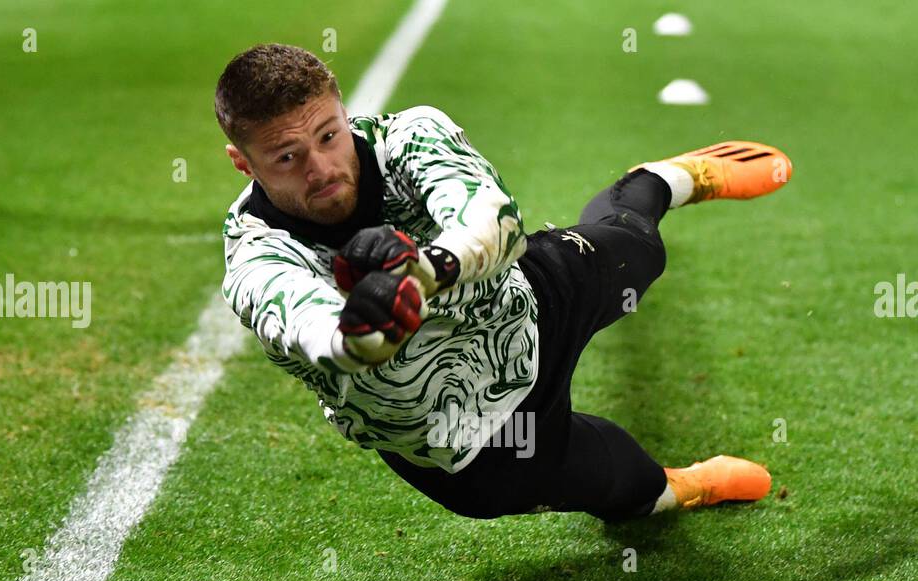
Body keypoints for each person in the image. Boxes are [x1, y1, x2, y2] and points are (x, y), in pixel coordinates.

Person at [216, 43, 792, 522]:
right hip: (470, 443)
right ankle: (685, 486)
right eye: (287, 158)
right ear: (244, 164)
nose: (321, 169)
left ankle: (669, 178)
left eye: (328, 136)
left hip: (524, 305)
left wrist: (423, 270)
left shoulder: (408, 136)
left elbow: (495, 222)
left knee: (637, 250)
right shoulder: (256, 259)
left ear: (345, 114)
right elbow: (311, 327)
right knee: (631, 488)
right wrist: (362, 333)